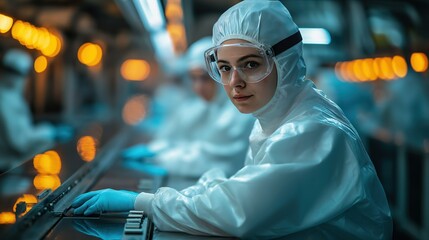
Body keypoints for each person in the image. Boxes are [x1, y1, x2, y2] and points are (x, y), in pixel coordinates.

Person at [72, 1, 392, 239]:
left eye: (250, 65)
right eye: (224, 68)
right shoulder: (273, 116)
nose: (234, 83)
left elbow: (240, 211)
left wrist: (143, 202)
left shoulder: (312, 130)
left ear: (287, 61)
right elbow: (243, 187)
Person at [122, 36, 255, 178]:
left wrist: (156, 158)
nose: (198, 87)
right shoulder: (210, 107)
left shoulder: (239, 114)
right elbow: (190, 146)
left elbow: (209, 162)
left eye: (205, 78)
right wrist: (154, 150)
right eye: (193, 78)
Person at [0, 49, 72, 173]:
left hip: (14, 165)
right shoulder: (4, 99)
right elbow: (19, 142)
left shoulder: (13, 96)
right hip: (7, 168)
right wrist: (49, 132)